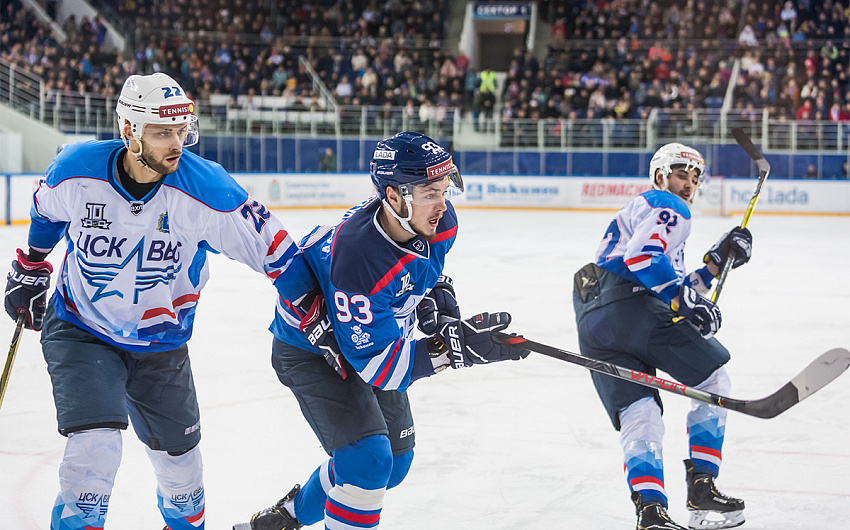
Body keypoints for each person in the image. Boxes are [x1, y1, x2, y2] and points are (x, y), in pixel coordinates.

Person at [3, 73, 314, 530]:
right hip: (81, 327)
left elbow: (278, 254)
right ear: (129, 130)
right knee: (95, 450)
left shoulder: (210, 191)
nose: (177, 143)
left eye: (181, 131)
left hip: (162, 344)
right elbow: (47, 212)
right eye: (162, 132)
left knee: (183, 477)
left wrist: (319, 312)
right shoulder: (77, 169)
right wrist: (31, 264)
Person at [233, 132, 529, 530]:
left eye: (444, 189)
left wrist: (431, 295)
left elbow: (418, 270)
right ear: (393, 197)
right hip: (312, 350)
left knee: (396, 462)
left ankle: (286, 518)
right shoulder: (358, 260)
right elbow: (381, 369)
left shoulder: (438, 222)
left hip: (370, 333)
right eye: (429, 192)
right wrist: (454, 351)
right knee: (369, 461)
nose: (443, 204)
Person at [572, 143, 752, 530]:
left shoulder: (641, 211)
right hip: (631, 310)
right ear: (660, 176)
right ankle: (702, 486)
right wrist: (684, 300)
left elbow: (663, 280)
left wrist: (717, 262)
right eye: (680, 175)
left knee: (641, 412)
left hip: (595, 321)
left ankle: (651, 512)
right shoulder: (666, 205)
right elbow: (644, 260)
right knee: (714, 378)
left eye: (693, 178)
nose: (687, 185)